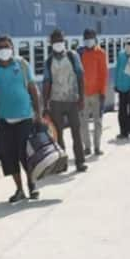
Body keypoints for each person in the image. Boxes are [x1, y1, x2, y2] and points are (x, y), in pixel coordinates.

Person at [0, 35, 42, 203]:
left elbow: (32, 89)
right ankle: (19, 189)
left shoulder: (22, 64)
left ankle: (32, 184)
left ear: (12, 48)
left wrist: (39, 114)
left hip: (25, 117)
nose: (3, 50)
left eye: (6, 46)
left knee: (25, 155)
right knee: (8, 156)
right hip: (5, 119)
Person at [43, 29, 87, 172]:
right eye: (55, 41)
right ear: (51, 43)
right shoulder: (49, 61)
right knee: (58, 135)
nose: (58, 43)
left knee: (76, 132)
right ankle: (62, 163)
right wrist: (45, 104)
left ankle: (80, 162)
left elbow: (80, 77)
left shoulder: (73, 56)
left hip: (72, 100)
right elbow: (47, 83)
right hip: (56, 102)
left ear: (64, 40)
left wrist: (81, 97)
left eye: (60, 40)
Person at [78, 29, 107, 156]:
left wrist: (103, 93)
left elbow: (104, 74)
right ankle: (87, 147)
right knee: (83, 122)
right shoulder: (80, 53)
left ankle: (97, 147)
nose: (88, 40)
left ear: (95, 38)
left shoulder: (101, 53)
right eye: (86, 38)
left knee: (98, 121)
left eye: (90, 37)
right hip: (83, 94)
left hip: (96, 93)